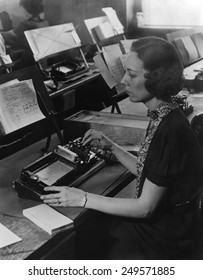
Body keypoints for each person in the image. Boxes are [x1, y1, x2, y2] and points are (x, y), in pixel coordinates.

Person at [40, 36, 203, 260]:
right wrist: (113, 147)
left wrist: (82, 198)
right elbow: (151, 173)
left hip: (166, 237)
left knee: (87, 236)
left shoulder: (170, 130)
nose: (124, 80)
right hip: (175, 224)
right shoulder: (166, 114)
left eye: (132, 74)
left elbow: (145, 208)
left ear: (157, 79)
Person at [1, 0, 49, 69]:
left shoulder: (26, 24)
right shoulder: (44, 22)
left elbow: (10, 35)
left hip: (29, 60)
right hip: (42, 60)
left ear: (27, 9)